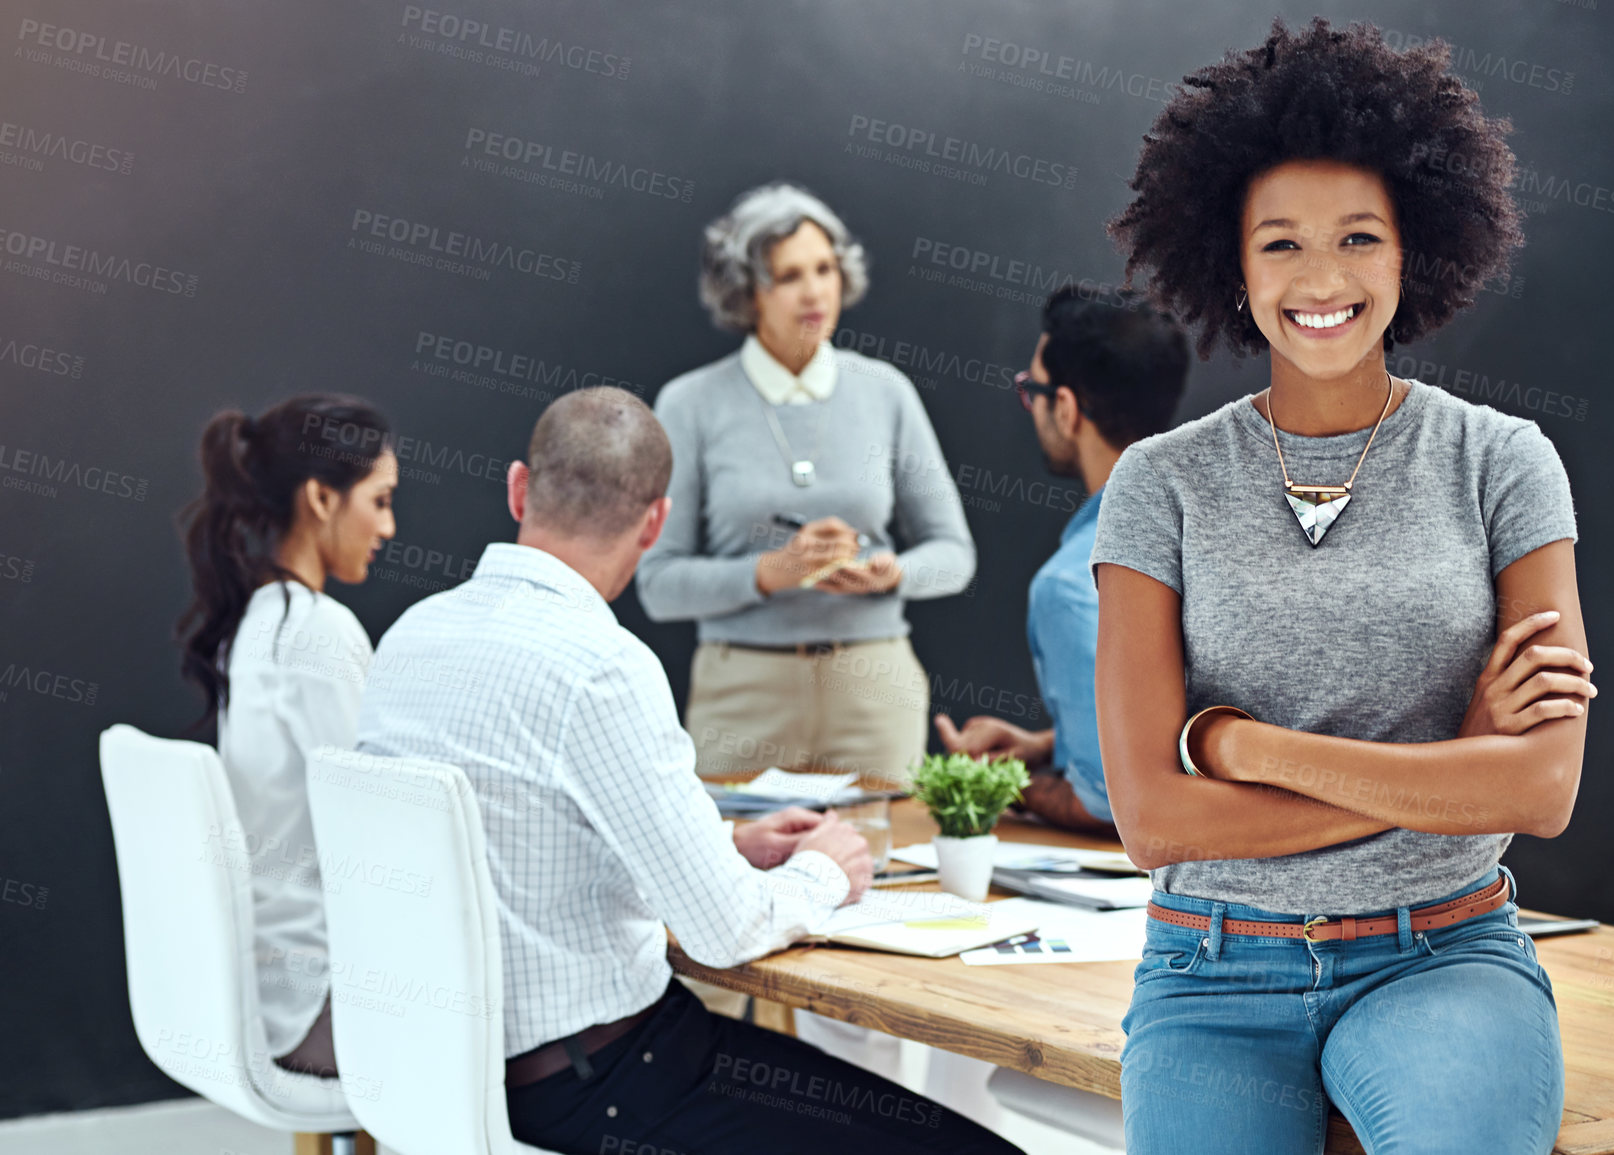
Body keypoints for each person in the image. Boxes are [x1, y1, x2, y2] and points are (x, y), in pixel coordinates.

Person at [1094, 19, 1596, 1154]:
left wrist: (1241, 746)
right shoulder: (1158, 487)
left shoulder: (1502, 462)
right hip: (1211, 966)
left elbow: (1545, 788)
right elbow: (1154, 818)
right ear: (1232, 262)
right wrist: (1456, 764)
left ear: (1412, 248)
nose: (1322, 280)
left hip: (1444, 951)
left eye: (1358, 237)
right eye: (1281, 245)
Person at [354, 387, 1021, 1155]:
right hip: (604, 1084)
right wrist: (823, 871)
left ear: (517, 488)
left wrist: (722, 844)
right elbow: (723, 929)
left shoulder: (408, 637)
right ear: (654, 521)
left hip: (442, 1074)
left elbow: (519, 841)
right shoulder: (602, 668)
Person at [637, 182, 975, 786]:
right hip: (740, 697)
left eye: (825, 269)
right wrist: (770, 572)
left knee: (889, 869)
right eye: (789, 276)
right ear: (748, 292)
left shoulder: (886, 392)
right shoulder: (689, 404)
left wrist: (892, 573)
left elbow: (955, 556)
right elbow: (659, 585)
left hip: (873, 691)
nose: (815, 291)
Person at [173, 394, 398, 1077]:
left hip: (268, 986)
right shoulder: (317, 631)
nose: (388, 526)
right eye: (380, 499)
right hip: (319, 998)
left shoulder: (257, 622)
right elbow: (384, 823)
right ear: (321, 499)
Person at [935, 287, 1189, 835]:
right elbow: (1184, 720)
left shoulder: (1075, 583)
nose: (1031, 405)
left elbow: (1109, 806)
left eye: (1034, 390)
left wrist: (1003, 783)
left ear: (1067, 409)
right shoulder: (1219, 530)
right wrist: (1046, 747)